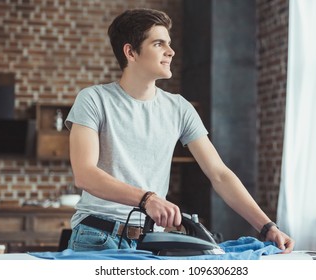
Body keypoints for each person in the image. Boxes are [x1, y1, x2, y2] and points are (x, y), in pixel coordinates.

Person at [65, 8, 294, 253]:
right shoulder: (93, 99)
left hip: (150, 241)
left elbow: (219, 174)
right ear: (130, 52)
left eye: (169, 43)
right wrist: (147, 199)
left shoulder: (179, 108)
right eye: (158, 43)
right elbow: (85, 174)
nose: (170, 51)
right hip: (96, 235)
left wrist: (267, 226)